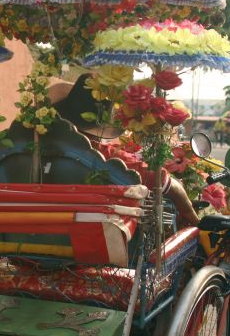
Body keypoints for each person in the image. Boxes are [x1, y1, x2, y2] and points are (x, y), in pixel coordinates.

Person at [48, 76, 200, 226]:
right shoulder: (101, 155)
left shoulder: (36, 149)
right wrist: (188, 212)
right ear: (102, 124)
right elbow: (162, 181)